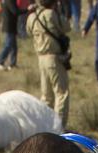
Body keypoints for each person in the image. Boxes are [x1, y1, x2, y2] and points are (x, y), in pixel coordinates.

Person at [28, 0, 71, 128]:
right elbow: (67, 27)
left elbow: (28, 30)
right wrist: (59, 11)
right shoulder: (52, 14)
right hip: (54, 57)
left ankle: (44, 125)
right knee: (61, 93)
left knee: (46, 96)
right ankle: (59, 128)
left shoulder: (32, 16)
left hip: (40, 57)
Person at [0, 0, 19, 67]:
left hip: (11, 26)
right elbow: (15, 12)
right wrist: (27, 10)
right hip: (9, 26)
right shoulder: (10, 1)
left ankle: (13, 64)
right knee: (8, 45)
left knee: (14, 47)